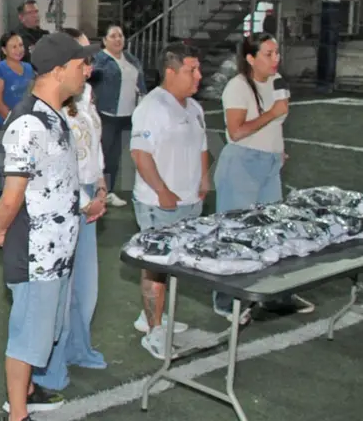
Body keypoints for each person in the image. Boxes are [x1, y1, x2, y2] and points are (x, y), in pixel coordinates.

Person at [0, 33, 90, 421]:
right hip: (36, 250)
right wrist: (0, 228)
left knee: (46, 327)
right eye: (82, 64)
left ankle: (27, 389)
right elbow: (12, 195)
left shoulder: (54, 115)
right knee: (28, 334)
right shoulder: (28, 122)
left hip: (57, 246)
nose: (88, 70)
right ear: (60, 68)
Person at [212, 33, 312, 319]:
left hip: (268, 165)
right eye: (268, 54)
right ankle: (225, 299)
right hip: (241, 165)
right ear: (251, 58)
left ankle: (273, 294)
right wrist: (272, 113)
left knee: (273, 231)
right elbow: (237, 131)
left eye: (277, 52)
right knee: (234, 233)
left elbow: (275, 125)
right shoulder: (238, 86)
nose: (275, 58)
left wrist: (277, 150)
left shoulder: (278, 83)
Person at [31, 48, 109, 391]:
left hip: (90, 193)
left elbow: (94, 148)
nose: (88, 70)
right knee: (57, 295)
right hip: (69, 201)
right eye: (81, 63)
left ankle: (79, 348)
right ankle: (48, 368)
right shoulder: (51, 109)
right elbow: (55, 168)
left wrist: (102, 185)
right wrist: (86, 200)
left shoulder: (86, 97)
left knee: (85, 289)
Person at [129, 43, 208, 360]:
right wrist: (162, 190)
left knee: (174, 263)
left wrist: (204, 178)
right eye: (192, 70)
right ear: (171, 72)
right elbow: (140, 154)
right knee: (156, 266)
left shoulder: (193, 107)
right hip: (158, 203)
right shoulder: (153, 107)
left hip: (189, 201)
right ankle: (154, 330)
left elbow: (202, 144)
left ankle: (151, 317)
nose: (198, 76)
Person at [90, 24, 146, 207]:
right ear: (105, 41)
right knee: (103, 156)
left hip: (127, 116)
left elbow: (140, 82)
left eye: (120, 35)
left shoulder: (130, 58)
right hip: (107, 115)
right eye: (113, 36)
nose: (118, 39)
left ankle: (109, 191)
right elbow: (91, 79)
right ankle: (97, 192)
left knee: (115, 157)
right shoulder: (100, 60)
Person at [0, 32, 34, 219]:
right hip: (6, 124)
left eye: (21, 45)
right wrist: (13, 122)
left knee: (25, 167)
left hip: (27, 125)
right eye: (13, 46)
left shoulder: (29, 69)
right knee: (3, 168)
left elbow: (32, 95)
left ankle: (21, 207)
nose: (18, 50)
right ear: (4, 50)